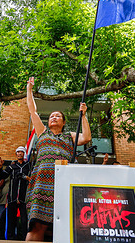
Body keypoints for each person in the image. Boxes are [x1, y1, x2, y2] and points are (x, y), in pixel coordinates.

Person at [25, 76, 92, 241]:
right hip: (42, 183)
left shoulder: (69, 136)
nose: (54, 117)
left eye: (58, 116)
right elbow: (32, 110)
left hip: (63, 184)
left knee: (65, 226)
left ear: (63, 122)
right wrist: (29, 89)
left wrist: (83, 115)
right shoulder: (42, 132)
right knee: (37, 225)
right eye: (51, 116)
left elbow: (87, 137)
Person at [0, 146, 31, 240]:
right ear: (16, 154)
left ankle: (25, 239)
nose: (20, 153)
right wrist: (0, 166)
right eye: (18, 152)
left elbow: (32, 178)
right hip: (12, 197)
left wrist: (25, 177)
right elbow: (2, 176)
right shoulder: (12, 166)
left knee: (24, 220)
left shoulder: (28, 166)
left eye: (21, 152)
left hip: (24, 198)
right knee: (11, 220)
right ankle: (10, 239)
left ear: (24, 154)